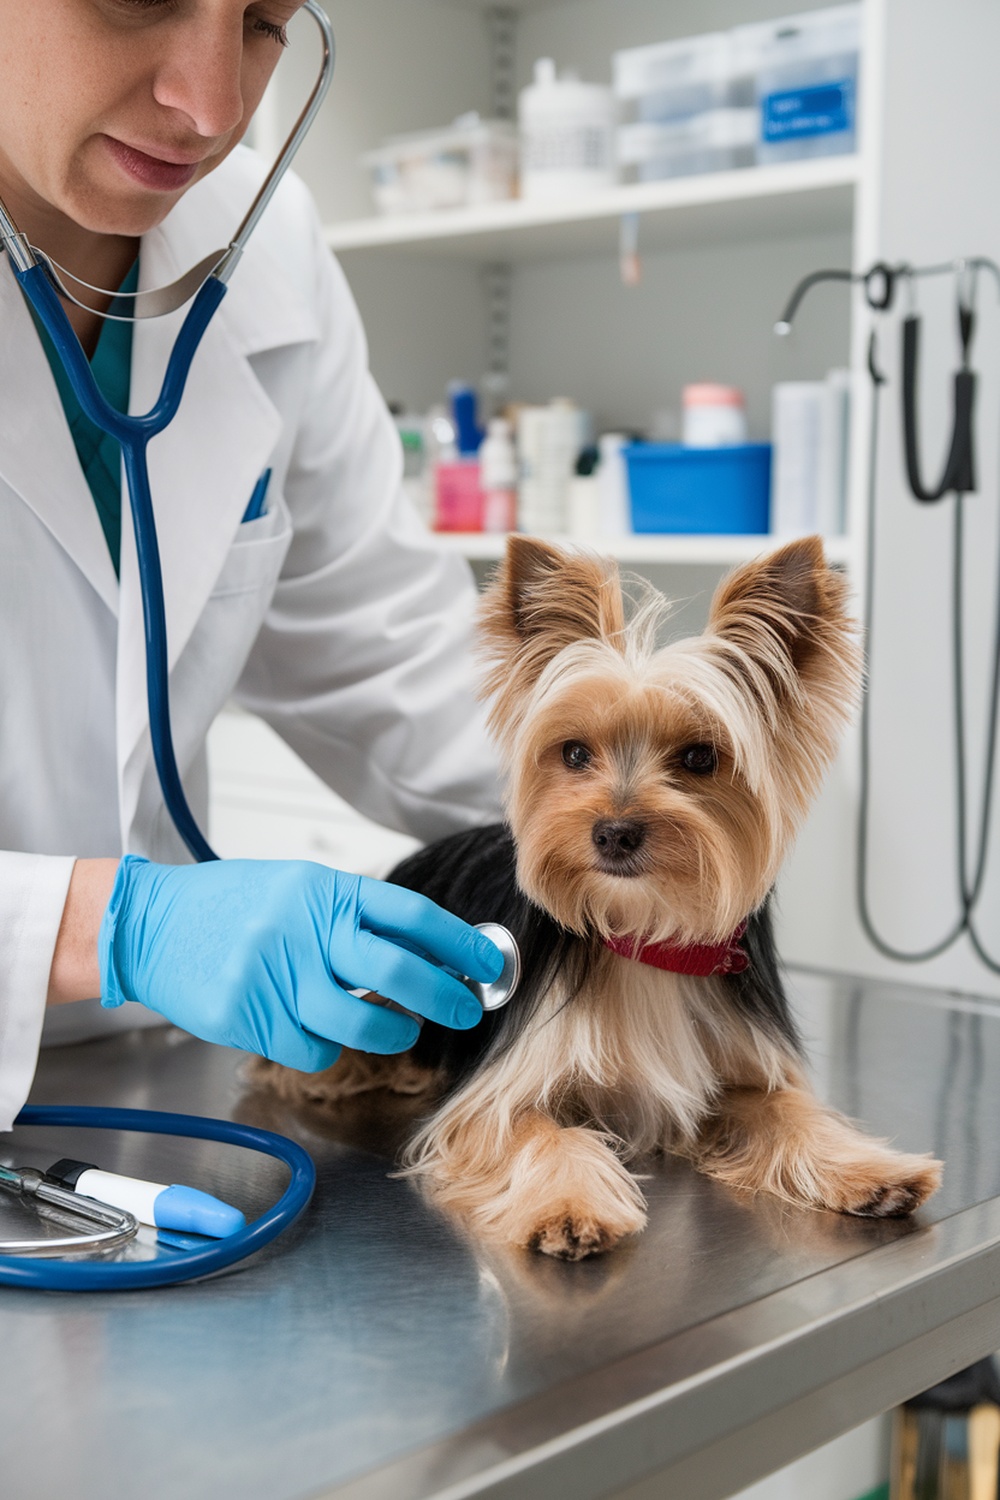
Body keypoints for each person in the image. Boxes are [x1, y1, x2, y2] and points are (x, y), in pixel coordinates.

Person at [0, 0, 504, 1131]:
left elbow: (393, 655)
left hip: (130, 1074)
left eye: (265, 21)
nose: (214, 106)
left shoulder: (262, 240)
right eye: (140, 1)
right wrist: (112, 927)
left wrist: (643, 809)